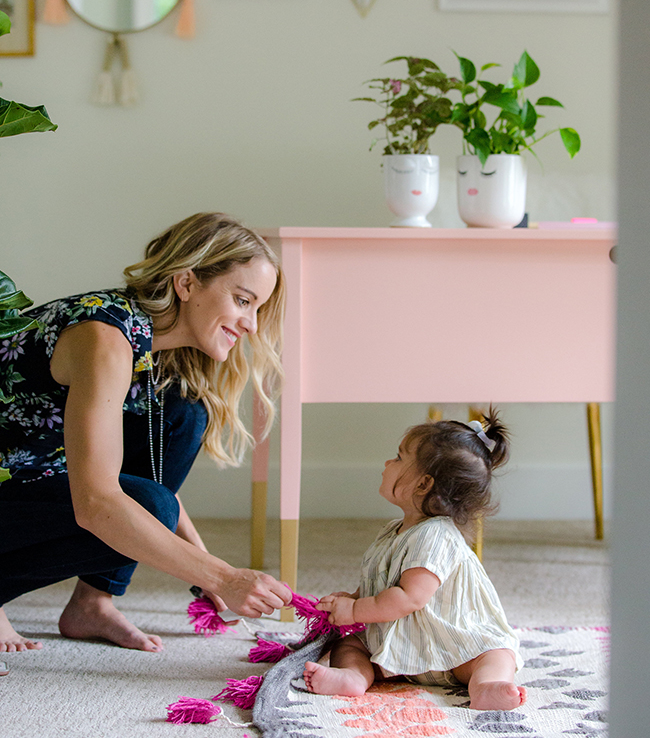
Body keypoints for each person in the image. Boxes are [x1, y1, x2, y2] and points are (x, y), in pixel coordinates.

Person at [0, 212, 293, 654]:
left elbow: (148, 481)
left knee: (183, 414)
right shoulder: (104, 340)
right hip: (12, 478)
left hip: (31, 471)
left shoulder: (142, 339)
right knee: (148, 507)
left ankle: (92, 602)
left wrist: (206, 565)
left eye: (257, 308)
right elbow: (97, 503)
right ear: (186, 283)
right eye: (242, 300)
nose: (251, 324)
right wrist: (223, 578)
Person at [303, 410, 526, 711]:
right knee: (349, 644)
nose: (387, 463)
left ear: (423, 485)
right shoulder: (393, 532)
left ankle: (486, 685)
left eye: (398, 458)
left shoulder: (436, 535)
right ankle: (352, 676)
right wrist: (354, 597)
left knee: (496, 653)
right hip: (403, 650)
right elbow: (384, 585)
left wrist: (355, 610)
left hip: (455, 649)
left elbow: (410, 597)